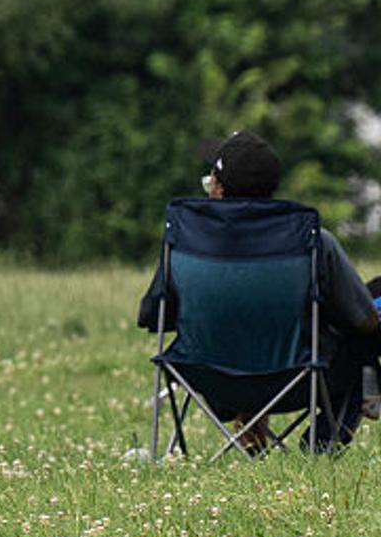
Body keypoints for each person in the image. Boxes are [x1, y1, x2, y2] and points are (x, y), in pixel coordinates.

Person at [140, 130, 380, 449]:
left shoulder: (182, 242)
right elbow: (363, 320)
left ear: (219, 191)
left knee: (243, 326)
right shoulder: (312, 242)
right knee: (363, 333)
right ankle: (323, 443)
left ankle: (252, 422)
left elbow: (152, 316)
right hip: (297, 379)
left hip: (210, 381)